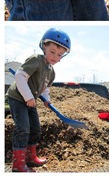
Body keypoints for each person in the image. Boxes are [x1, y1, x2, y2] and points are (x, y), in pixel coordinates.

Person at [7, 28, 71, 172]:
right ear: (44, 47)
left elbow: (44, 88)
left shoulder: (51, 72)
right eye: (52, 52)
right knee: (23, 128)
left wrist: (46, 99)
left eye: (60, 54)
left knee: (35, 128)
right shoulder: (36, 60)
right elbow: (20, 76)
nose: (55, 56)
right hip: (18, 97)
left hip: (31, 100)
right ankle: (18, 165)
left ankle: (30, 157)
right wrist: (29, 97)